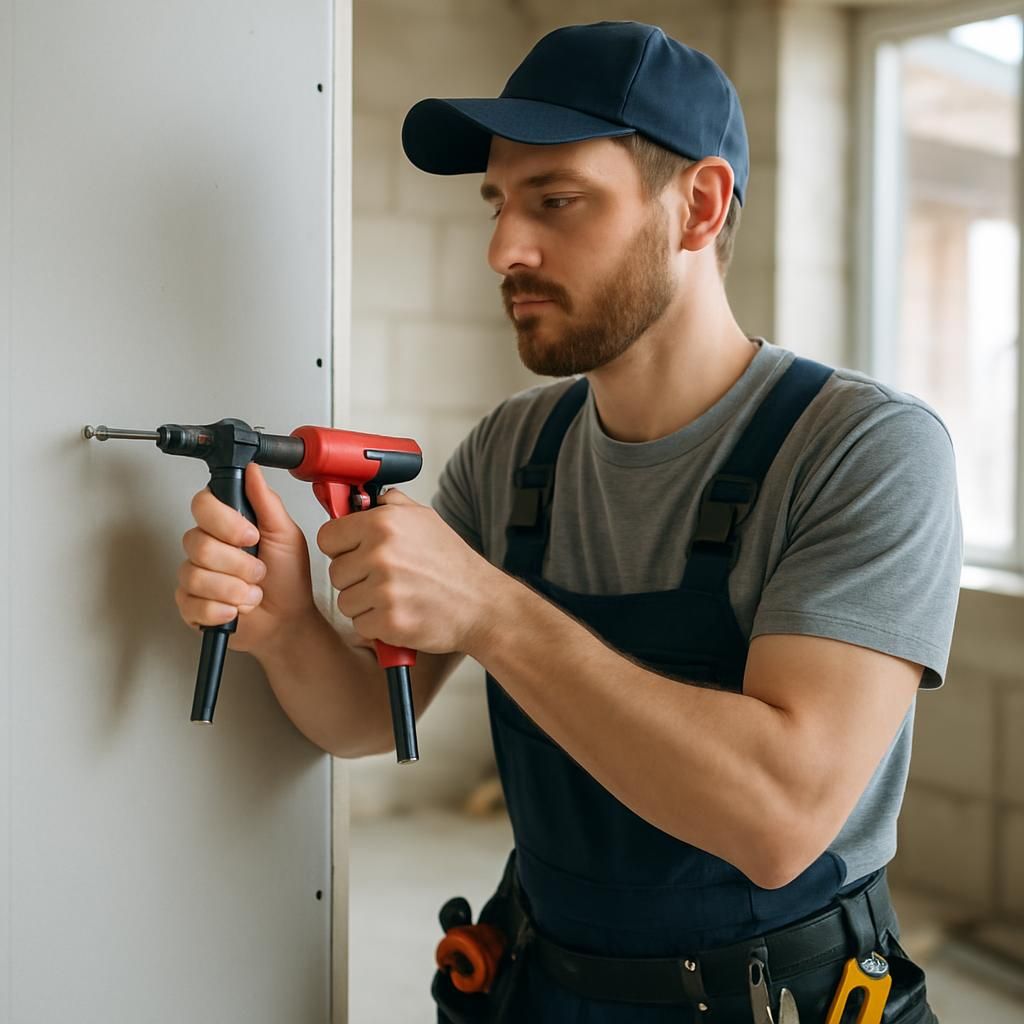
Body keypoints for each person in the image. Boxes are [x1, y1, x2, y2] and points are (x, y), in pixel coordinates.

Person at [174, 21, 961, 1024]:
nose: (503, 246)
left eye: (557, 200)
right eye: (499, 204)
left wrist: (493, 611)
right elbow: (370, 717)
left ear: (698, 205)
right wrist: (283, 621)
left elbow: (780, 817)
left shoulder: (863, 449)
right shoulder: (514, 452)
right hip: (543, 987)